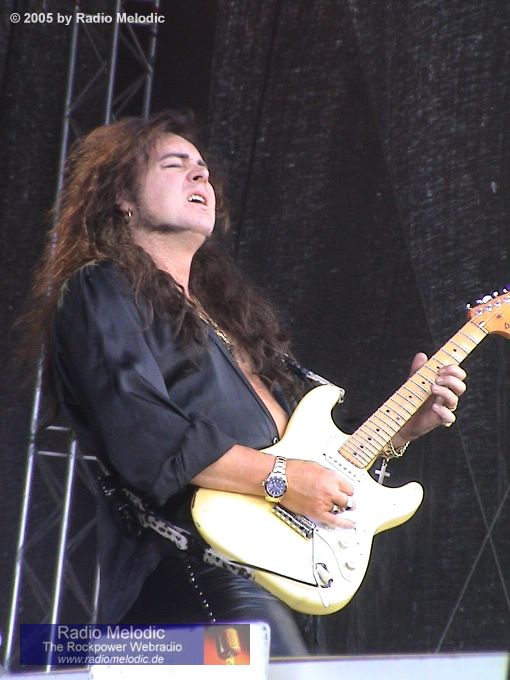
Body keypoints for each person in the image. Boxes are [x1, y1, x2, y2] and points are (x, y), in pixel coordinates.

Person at [21, 110, 466, 656]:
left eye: (203, 169)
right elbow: (145, 434)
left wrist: (402, 429)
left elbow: (311, 456)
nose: (200, 175)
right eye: (175, 164)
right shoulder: (101, 288)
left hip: (284, 569)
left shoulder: (228, 318)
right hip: (196, 564)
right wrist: (280, 479)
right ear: (122, 196)